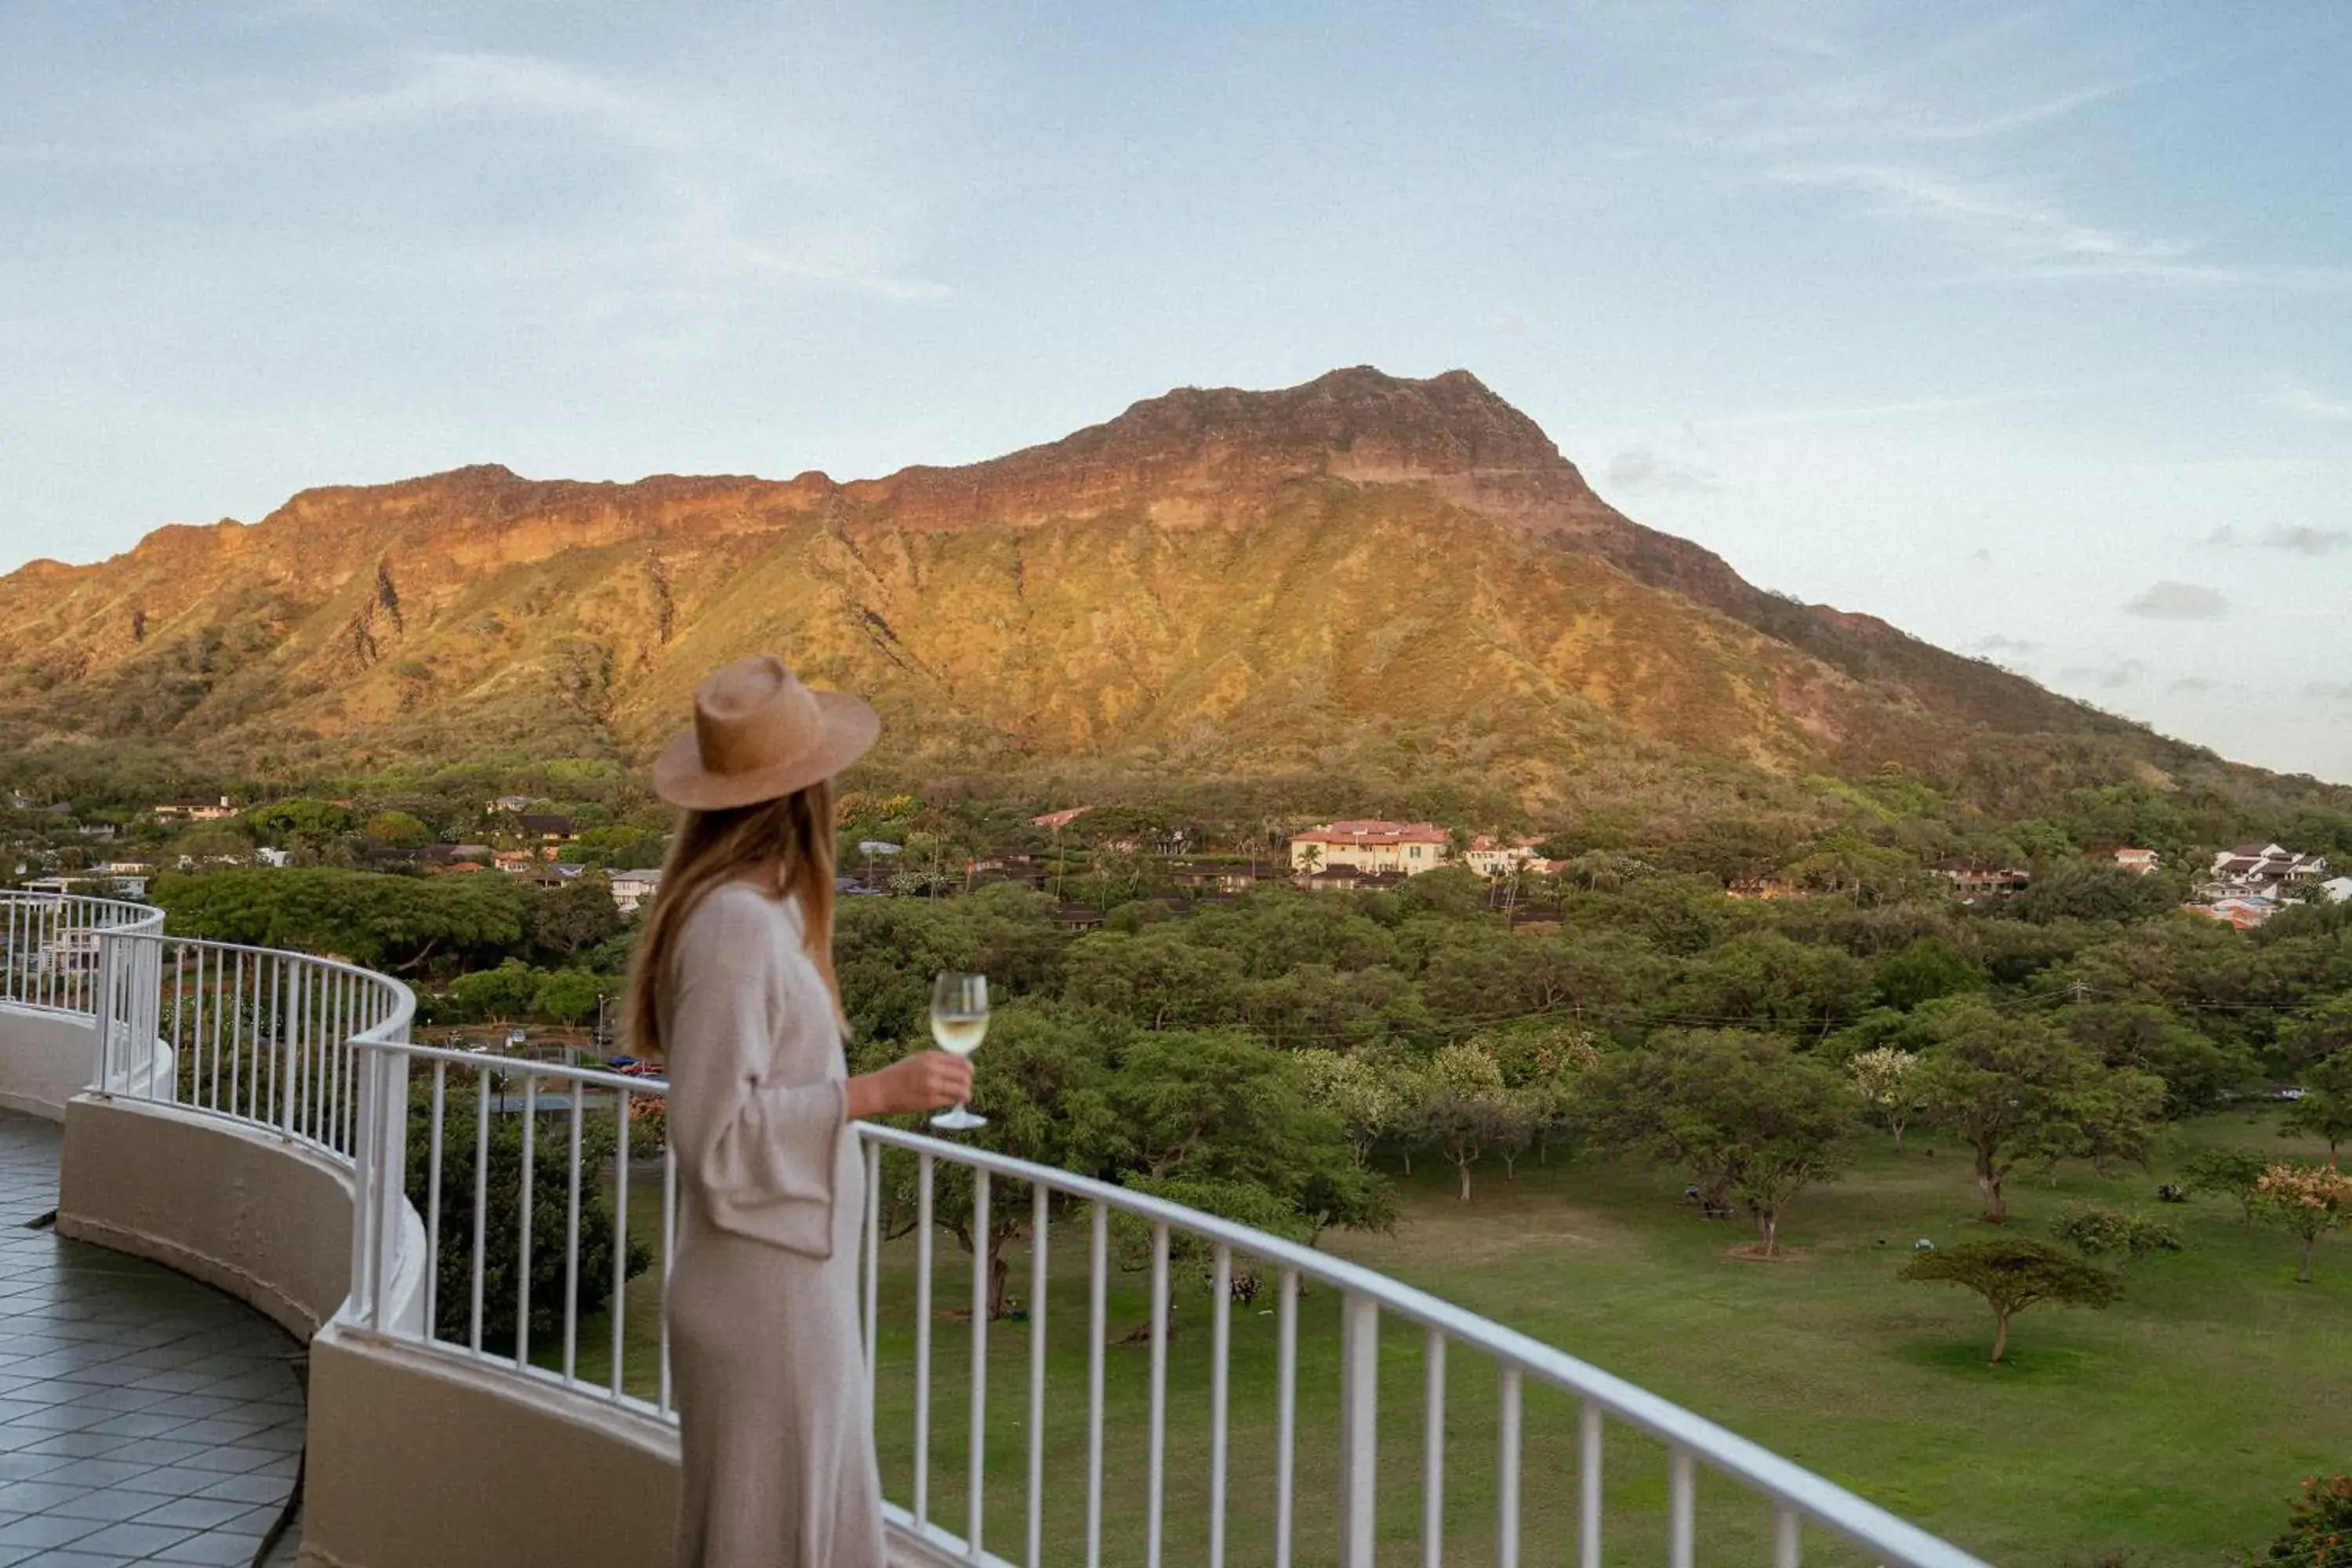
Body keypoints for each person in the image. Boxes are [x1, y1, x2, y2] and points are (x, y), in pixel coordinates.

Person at [624, 655, 973, 1567]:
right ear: (807, 797)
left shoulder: (760, 913)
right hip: (763, 1291)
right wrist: (875, 1092)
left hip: (781, 1275)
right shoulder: (736, 926)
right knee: (775, 1536)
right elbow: (713, 1134)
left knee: (784, 1530)